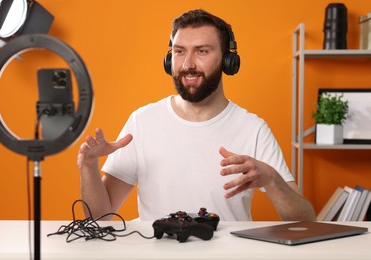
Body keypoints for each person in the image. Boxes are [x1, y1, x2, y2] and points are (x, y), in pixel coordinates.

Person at [77, 9, 316, 221]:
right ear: (169, 59)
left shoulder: (252, 128)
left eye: (202, 51)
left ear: (228, 60)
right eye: (179, 51)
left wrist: (272, 180)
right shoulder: (142, 121)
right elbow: (100, 218)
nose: (187, 64)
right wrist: (88, 166)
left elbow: (305, 220)